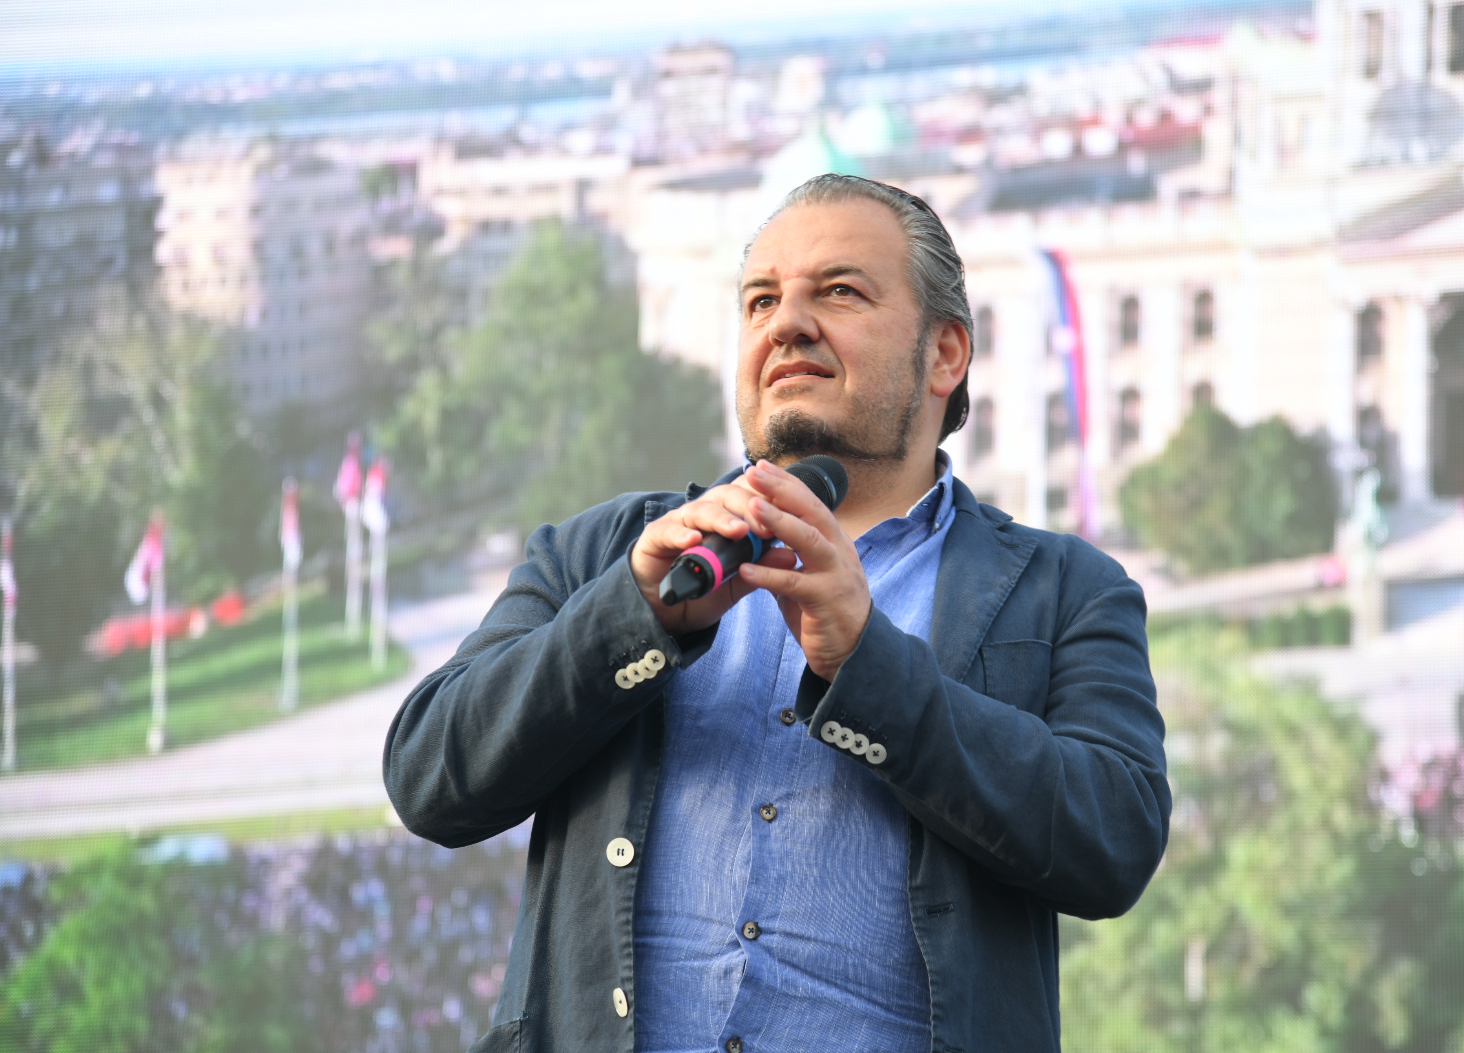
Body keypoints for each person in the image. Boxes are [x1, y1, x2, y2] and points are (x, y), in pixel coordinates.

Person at [384, 174, 1171, 1053]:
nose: (785, 323)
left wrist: (872, 669)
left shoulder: (1065, 589)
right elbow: (428, 779)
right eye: (761, 300)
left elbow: (1115, 842)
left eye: (839, 291)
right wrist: (631, 619)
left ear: (946, 355)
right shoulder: (601, 556)